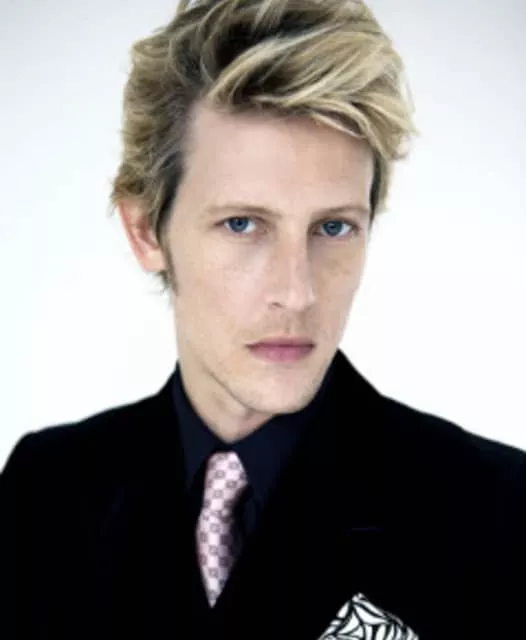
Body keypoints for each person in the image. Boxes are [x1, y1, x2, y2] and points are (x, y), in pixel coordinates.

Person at [2, 0, 525, 638]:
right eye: (242, 224)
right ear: (146, 231)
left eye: (333, 228)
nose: (297, 292)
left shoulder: (496, 509)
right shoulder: (44, 488)